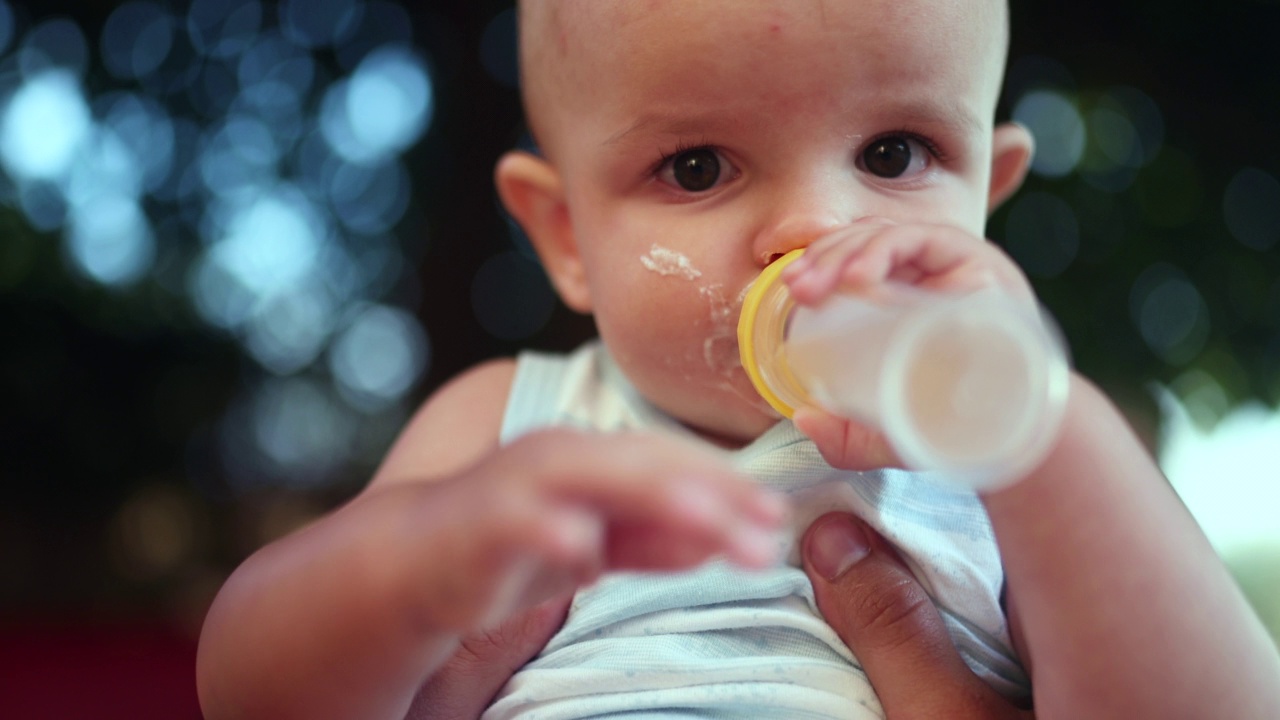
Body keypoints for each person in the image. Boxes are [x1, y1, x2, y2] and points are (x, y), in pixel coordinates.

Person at [196, 0, 1280, 718]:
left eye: (893, 153)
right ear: (566, 236)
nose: (812, 226)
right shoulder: (512, 426)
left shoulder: (1014, 467)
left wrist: (1042, 427)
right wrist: (415, 572)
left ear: (986, 201)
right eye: (698, 165)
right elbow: (247, 689)